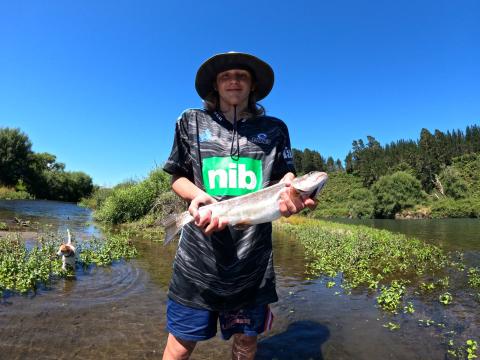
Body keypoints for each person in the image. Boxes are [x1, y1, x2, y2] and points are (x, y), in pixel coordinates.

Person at [162, 51, 317, 360]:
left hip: (253, 265)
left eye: (242, 76)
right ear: (215, 86)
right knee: (180, 346)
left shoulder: (275, 129)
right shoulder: (190, 121)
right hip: (197, 262)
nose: (234, 81)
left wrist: (293, 193)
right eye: (225, 76)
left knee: (246, 344)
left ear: (253, 86)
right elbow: (177, 176)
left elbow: (284, 176)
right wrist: (195, 196)